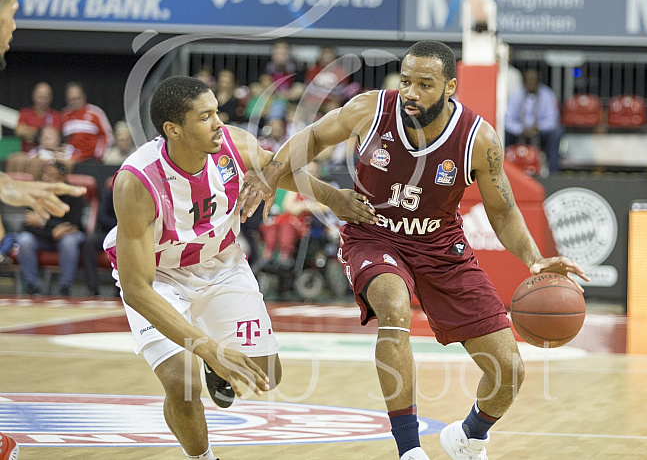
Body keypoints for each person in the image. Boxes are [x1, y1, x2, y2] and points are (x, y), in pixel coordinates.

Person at [238, 40, 588, 460]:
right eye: (406, 81)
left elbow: (505, 210)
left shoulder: (478, 139)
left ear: (450, 87)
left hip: (441, 247)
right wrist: (270, 174)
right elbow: (312, 138)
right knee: (394, 306)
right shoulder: (371, 109)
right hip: (374, 234)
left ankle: (469, 435)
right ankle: (409, 450)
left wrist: (533, 258)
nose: (411, 92)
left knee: (509, 370)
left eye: (425, 84)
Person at [102, 76, 375, 460]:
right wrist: (209, 349)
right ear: (173, 129)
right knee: (182, 383)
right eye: (205, 117)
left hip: (221, 263)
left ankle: (217, 366)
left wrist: (333, 198)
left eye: (217, 112)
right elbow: (138, 290)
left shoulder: (234, 144)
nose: (219, 123)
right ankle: (202, 456)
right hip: (160, 277)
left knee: (266, 374)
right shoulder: (137, 182)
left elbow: (279, 170)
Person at [0, 0, 86, 221]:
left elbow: (50, 136)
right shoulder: (26, 113)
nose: (15, 26)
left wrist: (4, 184)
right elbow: (23, 132)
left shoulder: (55, 116)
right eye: (13, 14)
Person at [17, 161, 85, 295]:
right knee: (24, 240)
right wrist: (51, 227)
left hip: (67, 236)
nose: (47, 178)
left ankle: (65, 287)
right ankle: (32, 286)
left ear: (62, 178)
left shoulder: (74, 193)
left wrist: (43, 223)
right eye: (45, 175)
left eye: (51, 175)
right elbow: (27, 223)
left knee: (69, 241)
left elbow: (73, 223)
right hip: (43, 237)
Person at [505, 68, 563, 175]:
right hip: (519, 132)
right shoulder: (515, 95)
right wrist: (520, 129)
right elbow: (507, 119)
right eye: (528, 80)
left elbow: (552, 119)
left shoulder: (548, 94)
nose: (531, 83)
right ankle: (504, 171)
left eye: (534, 80)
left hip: (540, 133)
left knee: (556, 133)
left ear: (538, 82)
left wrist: (538, 128)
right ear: (524, 81)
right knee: (502, 134)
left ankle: (553, 173)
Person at [61, 81, 113, 162]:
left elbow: (108, 136)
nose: (74, 101)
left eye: (77, 98)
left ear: (84, 96)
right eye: (71, 99)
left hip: (92, 159)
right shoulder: (64, 115)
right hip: (70, 160)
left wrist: (99, 155)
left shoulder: (96, 113)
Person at [81, 185, 116, 296]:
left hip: (128, 234)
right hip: (108, 232)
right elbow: (101, 217)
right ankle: (92, 288)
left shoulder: (137, 195)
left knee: (129, 245)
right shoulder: (109, 194)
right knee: (88, 242)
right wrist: (119, 225)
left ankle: (120, 290)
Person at [6, 125, 75, 179]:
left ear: (59, 138)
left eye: (50, 135)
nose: (46, 137)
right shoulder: (35, 151)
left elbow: (72, 161)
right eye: (44, 136)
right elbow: (29, 160)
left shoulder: (67, 149)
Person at [14, 81, 63, 152]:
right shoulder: (24, 113)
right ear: (33, 95)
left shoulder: (56, 115)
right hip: (27, 153)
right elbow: (18, 131)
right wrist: (42, 133)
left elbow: (54, 135)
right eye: (39, 96)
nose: (42, 100)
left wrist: (29, 132)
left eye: (45, 97)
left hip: (48, 154)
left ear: (50, 98)